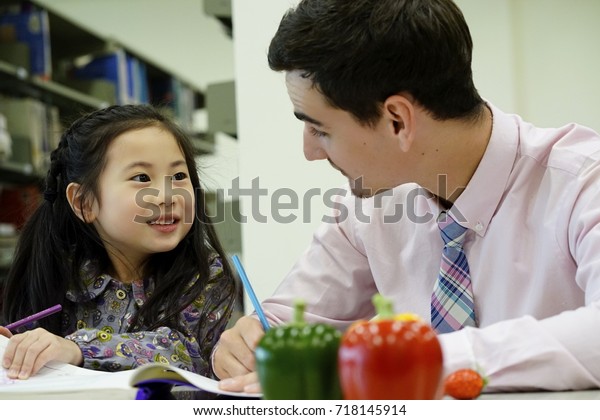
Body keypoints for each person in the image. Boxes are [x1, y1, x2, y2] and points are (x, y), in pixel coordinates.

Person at [214, 0, 600, 394]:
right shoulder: (368, 207)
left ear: (397, 120)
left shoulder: (584, 179)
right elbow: (290, 324)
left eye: (321, 130)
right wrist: (249, 344)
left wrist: (422, 360)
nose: (310, 152)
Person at [0, 104, 238, 381]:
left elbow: (184, 354)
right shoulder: (56, 269)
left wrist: (77, 348)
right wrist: (12, 348)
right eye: (141, 178)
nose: (168, 194)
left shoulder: (205, 275)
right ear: (84, 202)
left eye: (179, 176)